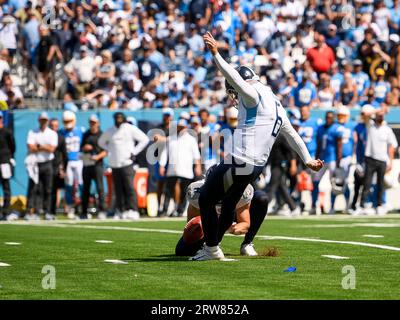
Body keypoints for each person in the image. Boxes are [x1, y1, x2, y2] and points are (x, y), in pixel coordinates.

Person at [191, 32, 323, 261]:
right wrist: (307, 159)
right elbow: (291, 134)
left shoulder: (252, 95)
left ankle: (211, 249)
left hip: (240, 160)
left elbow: (232, 76)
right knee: (230, 202)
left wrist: (216, 55)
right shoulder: (277, 104)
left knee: (206, 199)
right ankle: (215, 246)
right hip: (255, 167)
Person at [176, 174, 269, 257]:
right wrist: (208, 232)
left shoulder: (243, 190)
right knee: (182, 251)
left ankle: (247, 244)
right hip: (208, 220)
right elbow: (192, 223)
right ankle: (209, 245)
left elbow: (245, 223)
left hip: (232, 215)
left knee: (261, 198)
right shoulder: (196, 192)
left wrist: (231, 227)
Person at [98, 112, 149, 220]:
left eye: (120, 117)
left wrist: (134, 152)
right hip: (114, 164)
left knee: (129, 187)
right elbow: (101, 142)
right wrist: (109, 150)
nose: (118, 119)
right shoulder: (110, 131)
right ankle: (120, 210)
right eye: (117, 117)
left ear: (124, 118)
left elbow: (144, 139)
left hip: (127, 163)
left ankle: (133, 210)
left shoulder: (129, 128)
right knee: (118, 190)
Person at [159, 119, 202, 217]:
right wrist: (162, 165)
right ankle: (165, 210)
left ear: (186, 128)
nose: (179, 129)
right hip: (172, 169)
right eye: (178, 127)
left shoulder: (191, 139)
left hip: (186, 170)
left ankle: (180, 210)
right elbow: (165, 153)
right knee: (168, 190)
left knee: (184, 191)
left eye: (181, 127)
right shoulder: (170, 139)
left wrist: (197, 166)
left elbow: (196, 155)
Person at [359, 110, 398, 215]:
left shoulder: (387, 130)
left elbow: (392, 146)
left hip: (382, 160)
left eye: (382, 116)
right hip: (370, 159)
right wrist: (379, 110)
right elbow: (364, 114)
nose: (380, 117)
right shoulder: (370, 126)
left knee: (380, 185)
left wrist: (390, 161)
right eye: (378, 116)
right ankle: (362, 205)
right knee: (367, 184)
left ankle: (379, 205)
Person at [26, 112, 58, 220]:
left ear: (47, 121)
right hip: (35, 163)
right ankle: (31, 211)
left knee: (48, 189)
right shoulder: (33, 132)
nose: (43, 122)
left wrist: (38, 146)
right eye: (42, 120)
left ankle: (47, 211)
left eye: (45, 120)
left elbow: (52, 149)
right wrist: (45, 147)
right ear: (39, 120)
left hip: (47, 163)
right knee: (34, 188)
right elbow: (30, 147)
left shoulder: (52, 133)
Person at [312, 111, 342, 215]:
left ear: (333, 118)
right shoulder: (320, 128)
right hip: (322, 160)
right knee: (315, 182)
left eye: (330, 117)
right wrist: (316, 159)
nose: (328, 119)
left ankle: (332, 207)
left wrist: (339, 161)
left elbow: (339, 146)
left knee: (334, 184)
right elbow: (319, 145)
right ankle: (313, 206)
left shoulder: (337, 128)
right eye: (327, 117)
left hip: (332, 159)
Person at [59, 110, 85, 219]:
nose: (68, 123)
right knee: (68, 185)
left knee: (81, 184)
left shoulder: (81, 131)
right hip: (67, 161)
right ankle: (70, 207)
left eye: (69, 120)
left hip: (79, 161)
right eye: (66, 121)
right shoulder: (61, 132)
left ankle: (83, 207)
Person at [80, 114, 107, 219]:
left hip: (98, 165)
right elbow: (81, 147)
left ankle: (102, 211)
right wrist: (85, 148)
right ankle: (83, 212)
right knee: (85, 189)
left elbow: (106, 150)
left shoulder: (102, 135)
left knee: (100, 188)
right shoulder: (86, 134)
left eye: (94, 122)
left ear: (98, 123)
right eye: (91, 122)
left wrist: (98, 157)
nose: (92, 124)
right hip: (87, 164)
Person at [49, 118, 67, 219]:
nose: (53, 128)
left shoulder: (60, 138)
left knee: (57, 190)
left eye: (55, 126)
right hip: (45, 165)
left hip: (56, 167)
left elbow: (64, 155)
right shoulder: (45, 136)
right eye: (52, 125)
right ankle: (43, 209)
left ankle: (53, 211)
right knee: (45, 189)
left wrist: (63, 168)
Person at [0, 111, 15, 220]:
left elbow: (12, 146)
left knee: (6, 188)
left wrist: (9, 158)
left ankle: (5, 212)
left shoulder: (7, 132)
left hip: (4, 162)